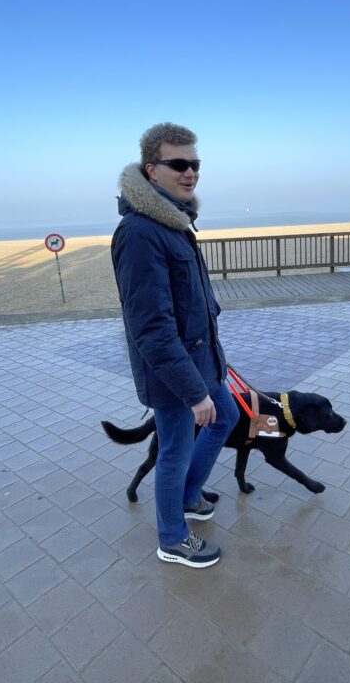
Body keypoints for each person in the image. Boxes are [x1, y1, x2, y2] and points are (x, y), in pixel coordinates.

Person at [111, 122, 238, 568]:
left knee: (228, 418)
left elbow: (191, 304)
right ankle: (172, 538)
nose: (190, 173)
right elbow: (151, 328)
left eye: (195, 164)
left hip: (200, 361)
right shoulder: (141, 233)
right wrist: (194, 391)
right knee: (174, 451)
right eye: (178, 164)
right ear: (151, 170)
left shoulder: (173, 221)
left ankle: (188, 496)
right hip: (174, 375)